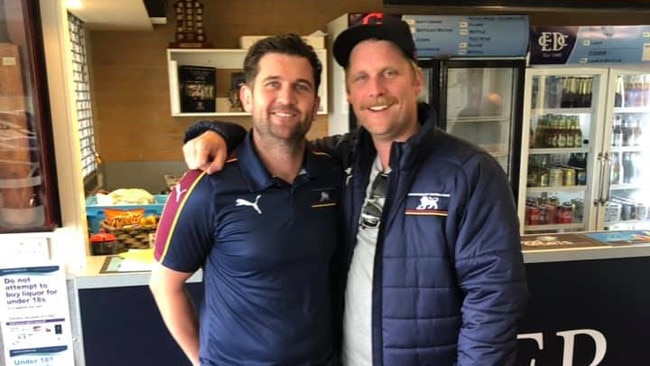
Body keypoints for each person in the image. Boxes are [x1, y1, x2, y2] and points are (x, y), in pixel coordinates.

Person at [181, 13, 528, 366]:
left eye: (389, 73)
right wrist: (218, 132)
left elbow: (493, 300)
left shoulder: (470, 172)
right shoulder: (339, 159)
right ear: (348, 93)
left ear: (416, 79)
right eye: (361, 77)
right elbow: (278, 140)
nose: (375, 89)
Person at [149, 34, 344, 366]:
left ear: (315, 102)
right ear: (246, 97)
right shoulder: (206, 185)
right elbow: (164, 285)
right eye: (272, 84)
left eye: (301, 87)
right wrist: (202, 361)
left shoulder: (333, 172)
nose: (286, 98)